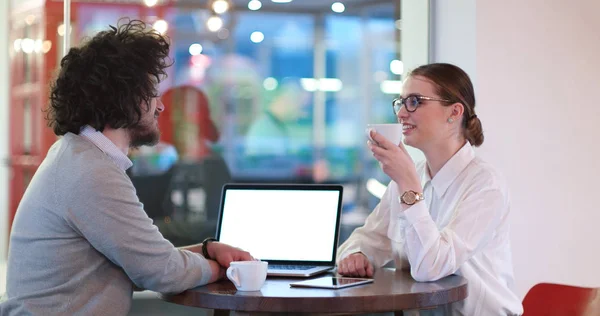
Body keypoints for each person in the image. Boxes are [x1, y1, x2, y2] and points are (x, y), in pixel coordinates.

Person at [2, 19, 253, 315]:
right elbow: (163, 273)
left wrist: (208, 250)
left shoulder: (80, 157)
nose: (160, 106)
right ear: (124, 98)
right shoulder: (91, 171)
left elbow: (145, 260)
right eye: (151, 93)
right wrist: (226, 270)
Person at [336, 63, 523, 315]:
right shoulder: (410, 177)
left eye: (414, 101)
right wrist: (356, 255)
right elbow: (364, 240)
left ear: (454, 112)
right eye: (400, 102)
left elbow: (431, 268)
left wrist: (409, 188)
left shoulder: (485, 185)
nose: (401, 113)